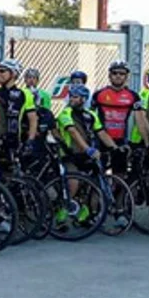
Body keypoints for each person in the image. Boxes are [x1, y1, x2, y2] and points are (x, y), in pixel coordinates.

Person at [57, 85, 119, 228]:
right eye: (71, 96)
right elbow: (72, 132)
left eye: (75, 97)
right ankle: (61, 214)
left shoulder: (91, 114)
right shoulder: (65, 113)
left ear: (83, 99)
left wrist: (115, 148)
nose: (72, 99)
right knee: (74, 183)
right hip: (69, 155)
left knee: (91, 184)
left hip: (86, 156)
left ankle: (84, 215)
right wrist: (88, 149)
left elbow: (101, 132)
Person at [93, 61, 144, 172]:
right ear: (109, 75)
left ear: (127, 76)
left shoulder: (134, 96)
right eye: (115, 73)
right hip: (100, 140)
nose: (118, 76)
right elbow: (89, 117)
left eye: (122, 73)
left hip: (121, 140)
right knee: (98, 174)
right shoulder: (98, 94)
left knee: (120, 174)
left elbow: (140, 120)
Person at [0, 58, 38, 158]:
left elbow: (33, 119)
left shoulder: (25, 94)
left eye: (2, 71)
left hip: (14, 142)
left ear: (13, 74)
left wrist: (30, 140)